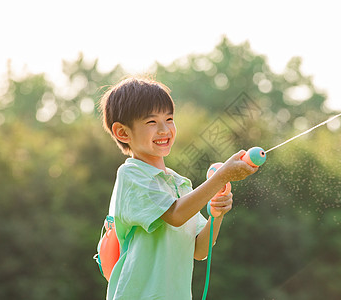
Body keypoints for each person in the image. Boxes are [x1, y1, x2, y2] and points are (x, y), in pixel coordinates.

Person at [99, 76, 258, 300]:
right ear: (123, 133)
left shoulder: (179, 183)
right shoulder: (131, 175)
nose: (165, 129)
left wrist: (216, 214)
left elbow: (200, 250)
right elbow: (175, 215)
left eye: (170, 119)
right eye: (151, 122)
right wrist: (220, 177)